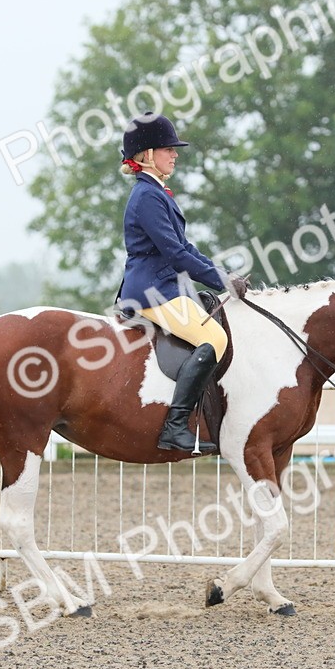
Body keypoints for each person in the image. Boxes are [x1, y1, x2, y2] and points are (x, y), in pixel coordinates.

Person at [116, 111, 248, 453]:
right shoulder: (147, 196)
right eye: (168, 149)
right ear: (147, 155)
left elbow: (186, 248)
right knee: (214, 338)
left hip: (165, 288)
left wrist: (223, 274)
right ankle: (175, 426)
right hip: (151, 292)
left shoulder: (157, 193)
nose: (175, 154)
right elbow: (176, 254)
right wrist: (222, 281)